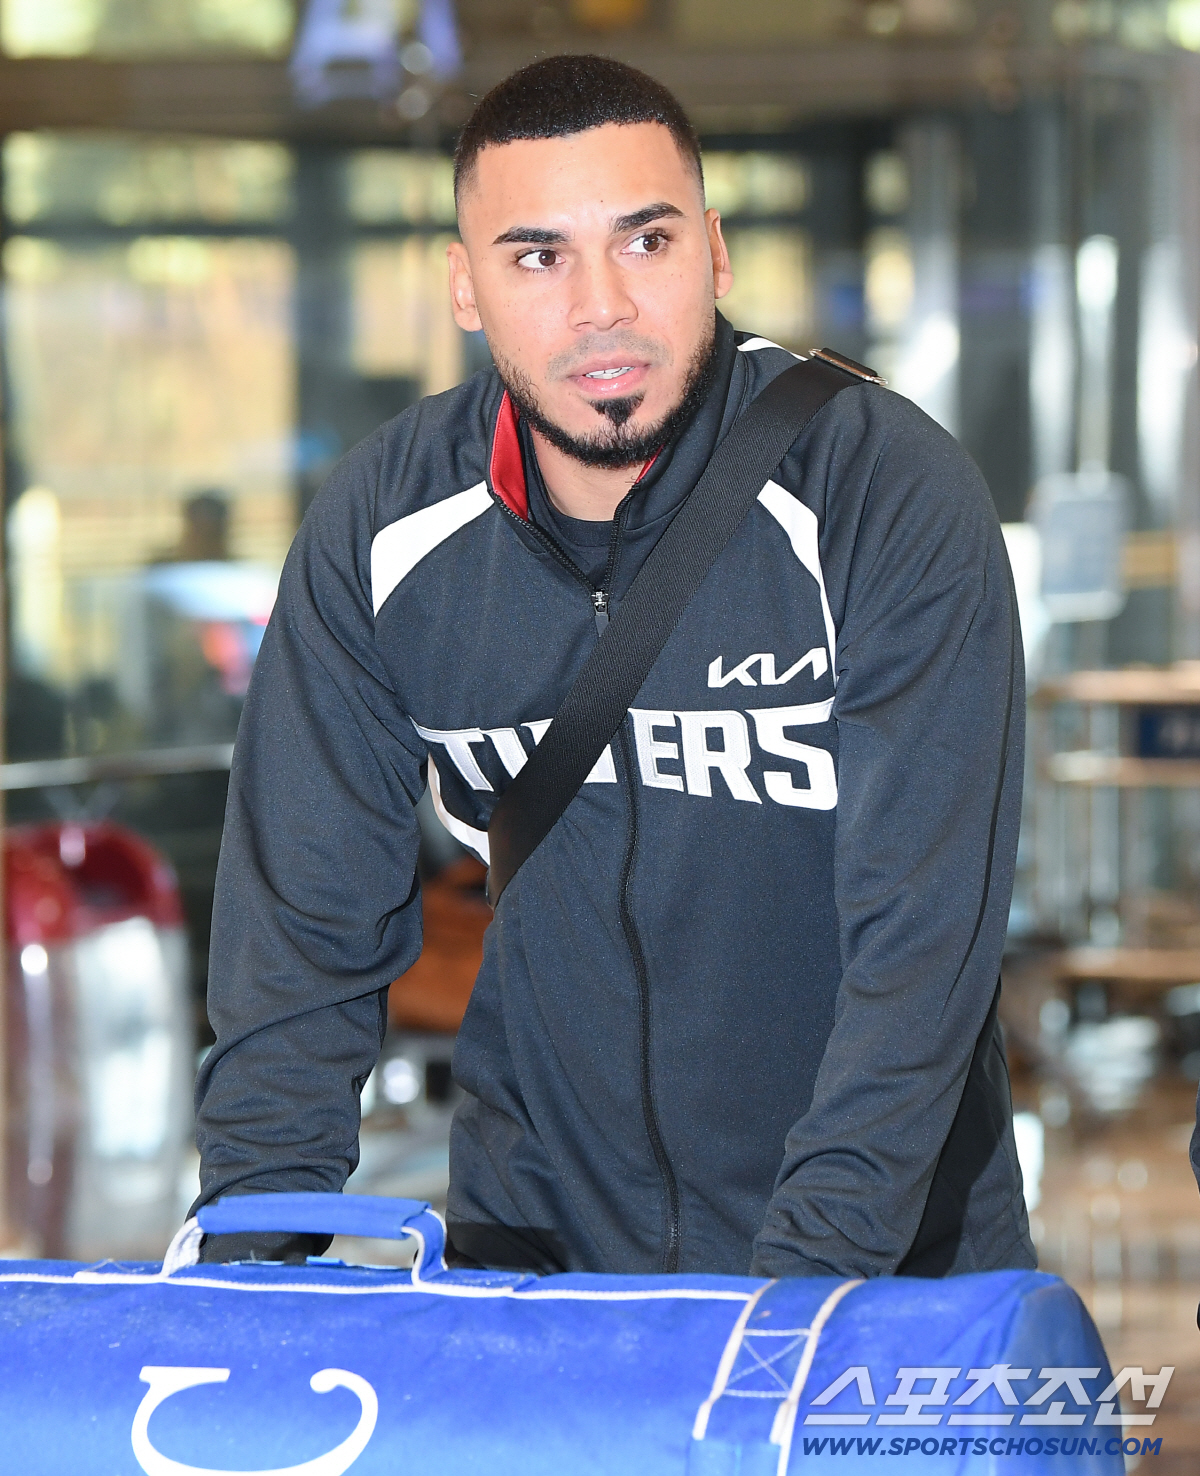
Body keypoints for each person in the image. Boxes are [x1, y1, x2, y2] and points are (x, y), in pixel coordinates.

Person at [195, 54, 1034, 1279]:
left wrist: (796, 1297)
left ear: (716, 253)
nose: (603, 306)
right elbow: (298, 945)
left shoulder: (879, 492)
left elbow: (921, 953)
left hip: (882, 1271)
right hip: (541, 1259)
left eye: (646, 242)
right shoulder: (385, 527)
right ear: (466, 286)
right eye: (538, 256)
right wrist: (248, 1271)